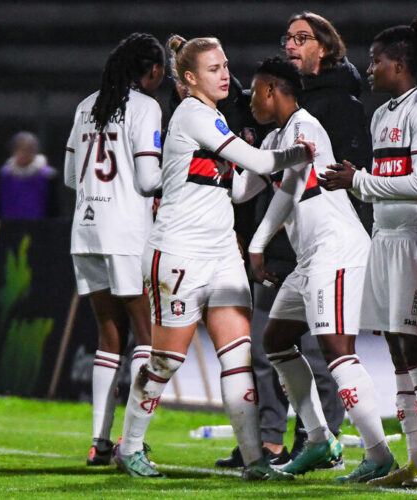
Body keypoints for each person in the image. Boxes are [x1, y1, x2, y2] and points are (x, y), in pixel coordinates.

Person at [116, 34, 314, 481]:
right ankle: (128, 448)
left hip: (223, 252)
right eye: (213, 68)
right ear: (188, 79)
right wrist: (294, 153)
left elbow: (240, 186)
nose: (225, 74)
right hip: (179, 252)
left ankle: (255, 461)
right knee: (166, 361)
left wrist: (273, 167)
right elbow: (260, 165)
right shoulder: (189, 114)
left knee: (237, 358)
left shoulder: (215, 118)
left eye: (226, 65)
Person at [240, 56, 397, 483]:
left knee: (336, 352)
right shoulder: (274, 137)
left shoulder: (305, 126)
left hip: (338, 251)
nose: (250, 98)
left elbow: (291, 185)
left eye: (255, 90)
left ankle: (379, 453)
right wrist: (227, 149)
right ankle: (318, 439)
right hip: (311, 258)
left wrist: (257, 244)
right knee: (276, 341)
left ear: (272, 89)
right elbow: (240, 191)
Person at [319, 18, 417, 490]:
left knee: (416, 346)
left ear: (399, 63)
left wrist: (357, 181)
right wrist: (360, 184)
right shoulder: (381, 116)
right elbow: (385, 187)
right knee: (398, 348)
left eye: (376, 60)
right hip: (387, 239)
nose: (369, 67)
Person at [63, 33, 166, 466]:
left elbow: (71, 175)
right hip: (127, 231)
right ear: (154, 70)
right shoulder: (146, 107)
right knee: (146, 333)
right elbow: (147, 178)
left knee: (108, 335)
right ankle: (132, 442)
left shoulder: (87, 105)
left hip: (86, 231)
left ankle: (100, 442)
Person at [284, 11, 374, 232]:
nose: (289, 46)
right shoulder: (286, 99)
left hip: (323, 237)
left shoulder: (342, 104)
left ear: (323, 49)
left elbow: (347, 178)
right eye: (288, 38)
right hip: (283, 234)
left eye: (301, 38)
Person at [0, 131, 59, 219]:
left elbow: (54, 208)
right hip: (10, 226)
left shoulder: (48, 176)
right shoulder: (4, 176)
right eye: (21, 149)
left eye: (29, 149)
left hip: (40, 227)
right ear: (14, 151)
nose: (24, 153)